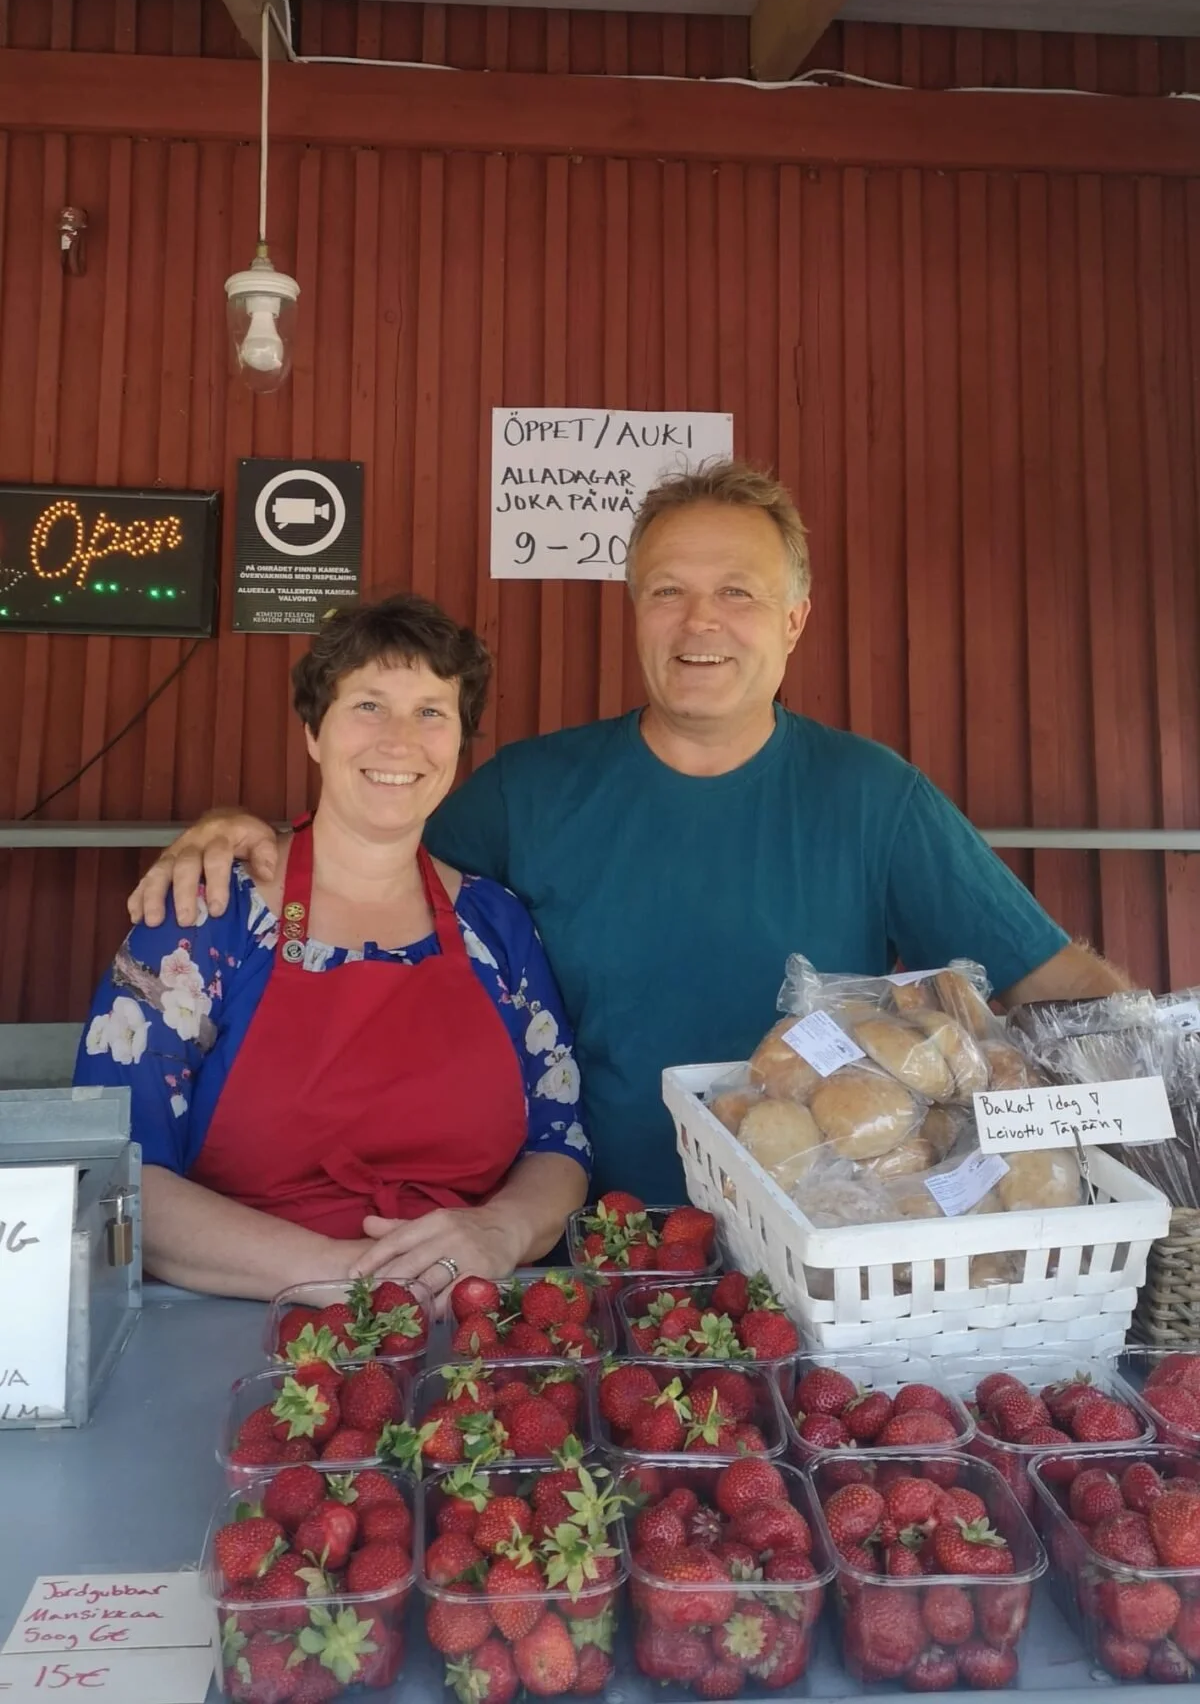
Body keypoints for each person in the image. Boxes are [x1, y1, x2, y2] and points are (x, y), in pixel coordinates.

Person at [130, 461, 1126, 1216]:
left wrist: (1157, 1103)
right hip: (580, 1252)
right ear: (634, 612)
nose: (701, 621)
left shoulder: (873, 796)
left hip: (819, 1247)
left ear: (795, 619)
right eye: (667, 590)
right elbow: (369, 856)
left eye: (737, 591)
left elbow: (1059, 986)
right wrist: (245, 835)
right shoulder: (532, 790)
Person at [78, 595, 589, 1301]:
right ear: (315, 731)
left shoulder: (495, 924)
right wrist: (351, 1279)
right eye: (369, 705)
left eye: (431, 712)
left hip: (469, 1329)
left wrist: (500, 1230)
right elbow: (114, 1171)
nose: (400, 741)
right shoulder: (208, 914)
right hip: (238, 1327)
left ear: (459, 744)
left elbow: (560, 1144)